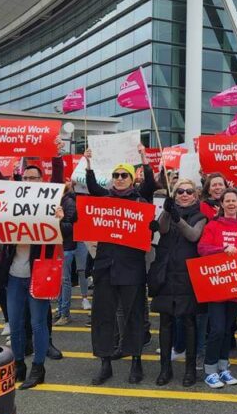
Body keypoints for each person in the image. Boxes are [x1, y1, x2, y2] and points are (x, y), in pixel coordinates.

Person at [86, 153, 156, 385]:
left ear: (131, 178)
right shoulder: (103, 200)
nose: (119, 178)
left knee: (134, 316)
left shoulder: (140, 201)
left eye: (123, 175)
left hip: (131, 268)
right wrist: (88, 165)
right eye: (115, 175)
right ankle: (105, 362)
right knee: (103, 316)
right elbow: (91, 187)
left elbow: (150, 184)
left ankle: (136, 361)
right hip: (106, 267)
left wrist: (145, 161)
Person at [0, 163, 65, 390]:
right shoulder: (10, 204)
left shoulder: (49, 204)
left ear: (41, 180)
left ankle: (38, 368)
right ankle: (18, 365)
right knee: (15, 324)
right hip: (14, 276)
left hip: (38, 275)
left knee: (38, 324)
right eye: (25, 177)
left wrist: (58, 219)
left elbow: (57, 179)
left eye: (33, 177)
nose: (28, 180)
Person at [148, 178, 206, 386]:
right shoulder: (169, 210)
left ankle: (190, 370)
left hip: (188, 276)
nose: (184, 194)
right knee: (165, 323)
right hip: (165, 274)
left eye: (188, 191)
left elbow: (193, 235)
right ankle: (165, 368)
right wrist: (166, 211)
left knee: (189, 323)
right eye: (180, 191)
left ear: (195, 195)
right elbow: (162, 229)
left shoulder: (200, 216)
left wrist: (177, 217)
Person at [197, 188, 237, 388]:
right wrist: (222, 249)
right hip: (216, 286)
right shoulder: (213, 226)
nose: (231, 203)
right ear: (221, 204)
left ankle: (223, 367)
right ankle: (210, 369)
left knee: (227, 330)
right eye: (227, 200)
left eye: (234, 200)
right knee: (217, 329)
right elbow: (202, 248)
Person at [54, 179, 79, 326]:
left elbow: (70, 227)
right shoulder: (57, 200)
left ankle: (65, 313)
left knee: (64, 280)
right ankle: (60, 309)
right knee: (59, 281)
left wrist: (59, 221)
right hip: (57, 245)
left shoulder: (69, 202)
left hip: (66, 247)